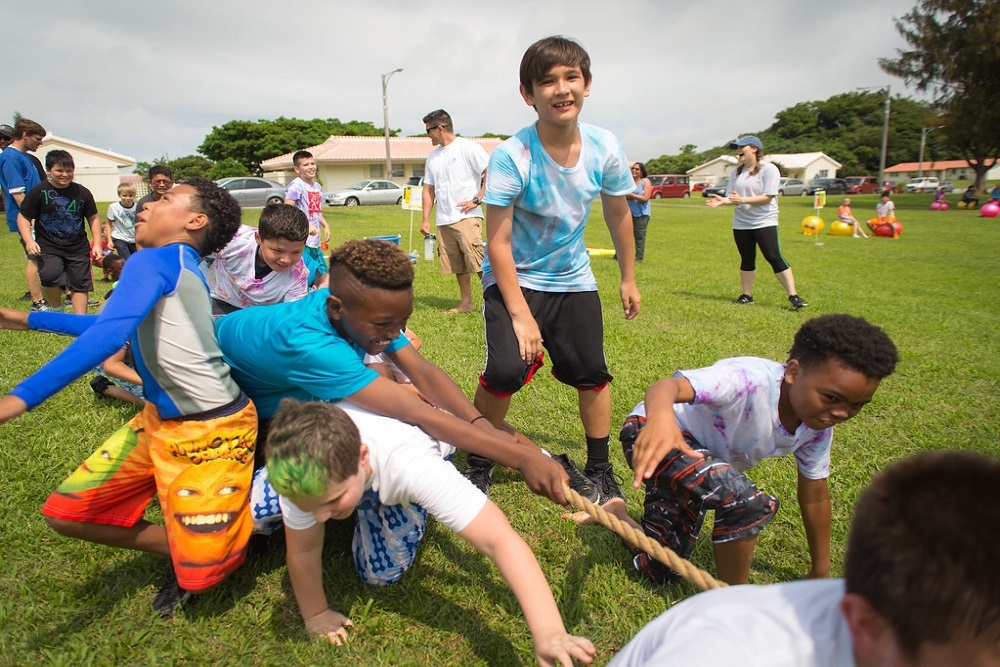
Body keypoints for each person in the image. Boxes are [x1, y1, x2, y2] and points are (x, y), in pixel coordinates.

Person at [0, 177, 253, 617]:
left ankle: (246, 534)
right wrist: (23, 320)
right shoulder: (176, 262)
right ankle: (192, 544)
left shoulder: (154, 261)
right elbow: (116, 323)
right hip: (158, 420)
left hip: (215, 429)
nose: (148, 205)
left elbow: (113, 332)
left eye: (165, 199)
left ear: (196, 220)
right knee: (67, 513)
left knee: (207, 573)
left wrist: (18, 399)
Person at [214, 238, 577, 504]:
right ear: (337, 308)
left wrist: (482, 426)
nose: (393, 335)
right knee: (287, 484)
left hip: (276, 383)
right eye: (386, 325)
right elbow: (416, 411)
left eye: (401, 322)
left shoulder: (364, 314)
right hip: (223, 393)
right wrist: (519, 457)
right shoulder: (312, 345)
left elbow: (423, 372)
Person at [261, 399, 597, 665]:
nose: (320, 516)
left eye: (331, 501)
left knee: (381, 573)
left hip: (403, 473)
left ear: (363, 456)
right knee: (257, 509)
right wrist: (316, 613)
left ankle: (413, 507)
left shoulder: (411, 465)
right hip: (348, 473)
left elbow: (500, 540)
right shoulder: (303, 477)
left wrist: (549, 632)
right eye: (310, 505)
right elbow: (303, 550)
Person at [608, 449, 1000, 667]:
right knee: (661, 567)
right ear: (870, 631)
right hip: (669, 447)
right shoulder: (732, 653)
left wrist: (819, 569)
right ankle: (618, 514)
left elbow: (816, 493)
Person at [468, 36, 641, 507]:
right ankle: (478, 462)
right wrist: (521, 316)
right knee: (505, 371)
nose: (561, 90)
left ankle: (600, 470)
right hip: (514, 276)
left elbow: (619, 213)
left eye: (571, 78)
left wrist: (627, 276)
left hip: (573, 277)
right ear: (528, 94)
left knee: (592, 373)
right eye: (547, 81)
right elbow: (497, 243)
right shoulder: (512, 155)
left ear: (587, 85)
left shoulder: (605, 146)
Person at [603, 314, 898, 586]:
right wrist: (660, 420)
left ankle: (617, 515)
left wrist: (820, 571)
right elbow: (664, 387)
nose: (841, 413)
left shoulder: (816, 429)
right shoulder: (747, 380)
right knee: (745, 503)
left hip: (701, 463)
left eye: (856, 405)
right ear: (794, 371)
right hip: (651, 431)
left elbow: (815, 495)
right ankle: (735, 598)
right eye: (832, 397)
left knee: (663, 570)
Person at [708, 136, 807, 310]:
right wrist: (723, 201)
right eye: (736, 148)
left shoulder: (769, 169)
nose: (738, 151)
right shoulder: (737, 172)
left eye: (741, 147)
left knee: (773, 256)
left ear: (754, 148)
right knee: (746, 258)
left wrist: (742, 199)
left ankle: (793, 295)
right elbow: (733, 197)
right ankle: (747, 295)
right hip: (741, 222)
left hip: (764, 221)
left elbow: (768, 197)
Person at [419, 108, 490, 313]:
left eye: (428, 131)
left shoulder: (468, 148)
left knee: (477, 261)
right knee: (458, 264)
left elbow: (491, 172)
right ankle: (466, 303)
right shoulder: (433, 157)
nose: (428, 135)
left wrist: (477, 199)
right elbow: (428, 190)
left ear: (440, 128)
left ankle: (497, 301)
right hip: (444, 218)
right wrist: (426, 219)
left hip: (467, 216)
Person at [17, 150, 103, 314]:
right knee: (50, 277)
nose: (65, 175)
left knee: (80, 282)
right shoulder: (39, 192)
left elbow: (94, 218)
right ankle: (57, 310)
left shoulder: (82, 192)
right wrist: (29, 241)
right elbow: (23, 217)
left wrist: (97, 243)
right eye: (59, 171)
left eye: (69, 171)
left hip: (77, 247)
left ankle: (79, 320)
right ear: (49, 170)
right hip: (48, 246)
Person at [205, 202, 309, 316]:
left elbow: (294, 316)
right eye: (278, 251)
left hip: (258, 316)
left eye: (296, 252)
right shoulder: (232, 240)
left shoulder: (298, 275)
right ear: (258, 238)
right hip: (217, 301)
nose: (286, 260)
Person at [0, 117, 48, 311]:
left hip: (38, 216)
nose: (40, 143)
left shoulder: (25, 157)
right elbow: (18, 193)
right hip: (28, 219)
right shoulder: (10, 158)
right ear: (25, 135)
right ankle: (38, 302)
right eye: (37, 138)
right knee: (34, 257)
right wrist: (34, 218)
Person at [284, 150, 330, 283]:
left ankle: (319, 297)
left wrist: (325, 225)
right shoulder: (297, 186)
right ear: (297, 169)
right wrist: (306, 225)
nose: (311, 167)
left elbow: (315, 211)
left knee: (319, 275)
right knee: (308, 276)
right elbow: (287, 209)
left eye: (312, 163)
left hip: (314, 240)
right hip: (301, 241)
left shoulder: (316, 186)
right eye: (306, 165)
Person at [625, 162, 652, 262]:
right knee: (624, 234)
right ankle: (619, 255)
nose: (634, 171)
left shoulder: (645, 182)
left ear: (641, 172)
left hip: (641, 215)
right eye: (632, 169)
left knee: (639, 236)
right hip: (628, 213)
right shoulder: (628, 182)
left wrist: (631, 196)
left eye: (637, 169)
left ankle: (639, 258)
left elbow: (645, 198)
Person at [106, 183, 138, 259]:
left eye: (130, 196)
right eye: (124, 195)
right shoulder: (113, 207)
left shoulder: (138, 207)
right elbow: (109, 224)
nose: (127, 198)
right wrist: (109, 240)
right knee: (126, 260)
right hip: (120, 238)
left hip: (134, 238)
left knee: (136, 260)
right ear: (119, 195)